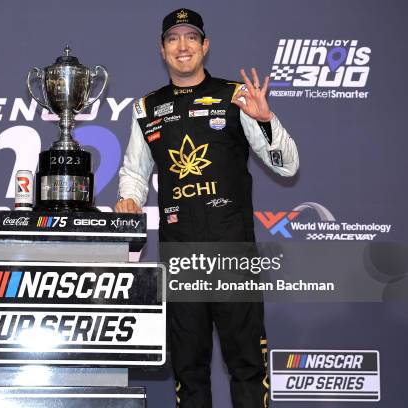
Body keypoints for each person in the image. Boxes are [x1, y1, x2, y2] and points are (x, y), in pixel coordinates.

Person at [115, 8, 299, 408]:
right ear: (162, 50)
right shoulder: (146, 108)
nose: (183, 46)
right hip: (181, 256)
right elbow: (134, 171)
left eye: (191, 38)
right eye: (173, 39)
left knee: (248, 365)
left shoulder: (238, 97)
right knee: (189, 370)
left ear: (205, 46)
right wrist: (128, 197)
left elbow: (288, 166)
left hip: (233, 252)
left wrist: (266, 122)